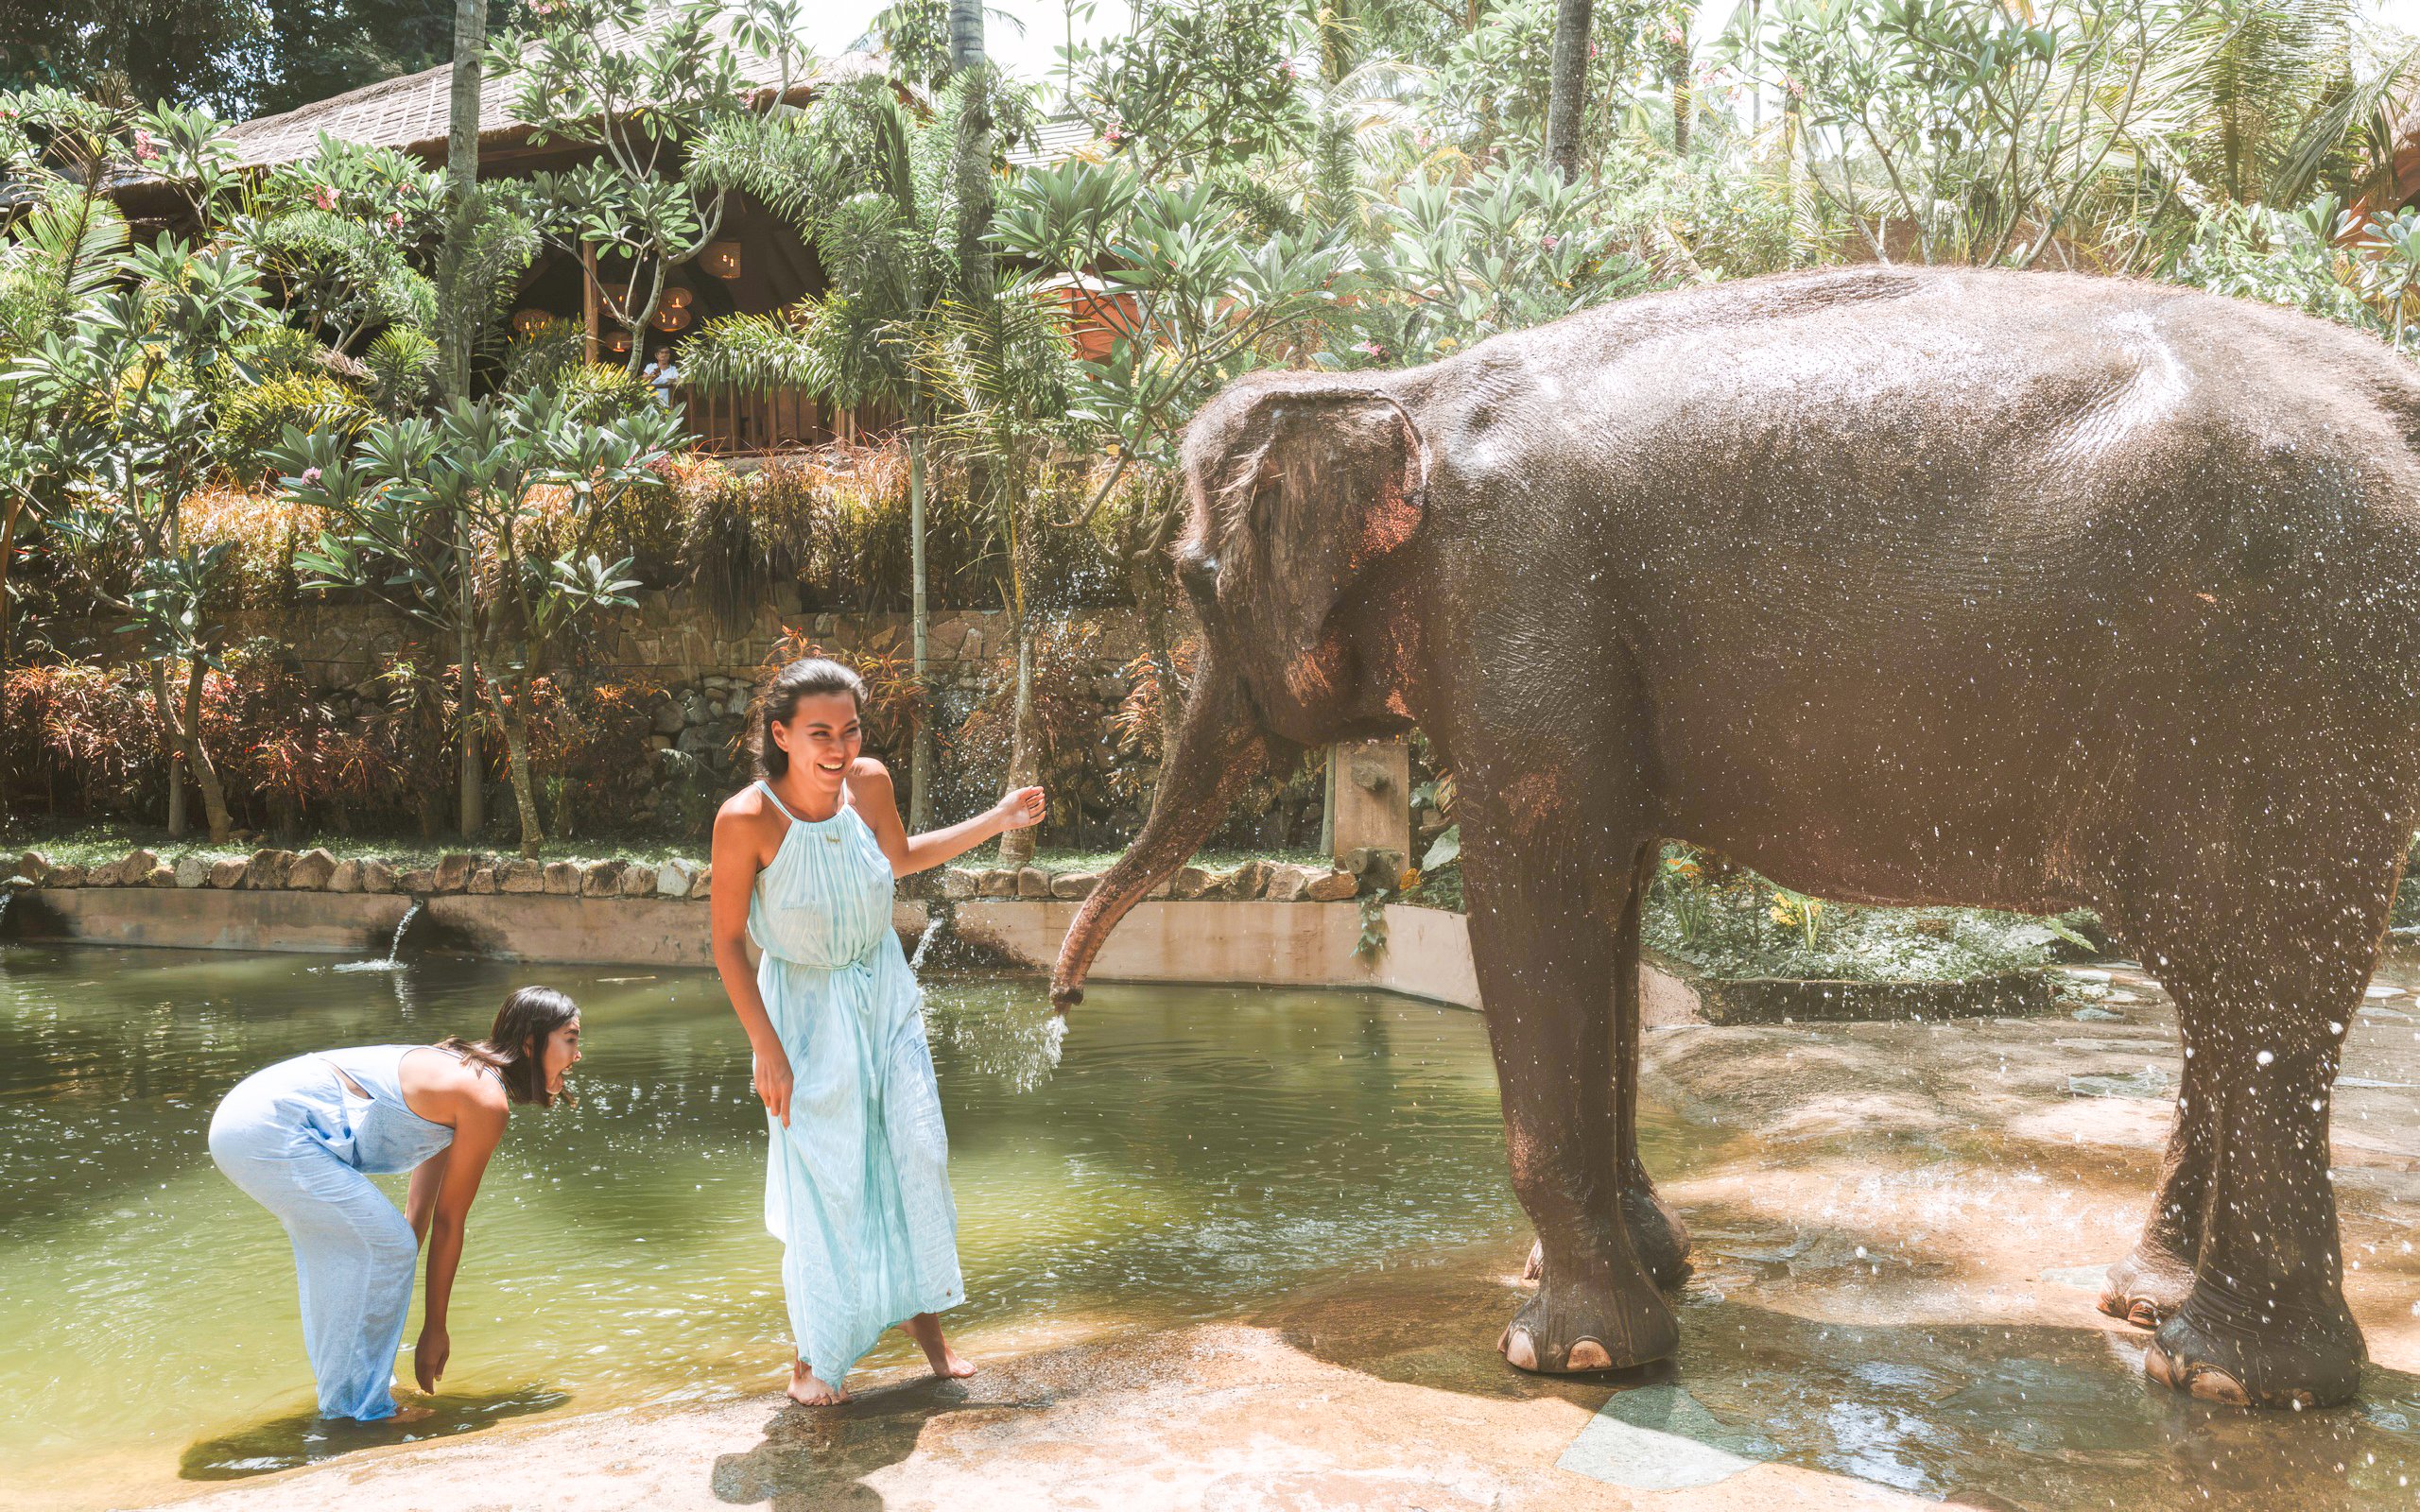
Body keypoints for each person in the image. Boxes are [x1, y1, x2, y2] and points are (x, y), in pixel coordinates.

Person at [710, 657, 1045, 1405]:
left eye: (850, 730)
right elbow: (727, 944)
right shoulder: (747, 818)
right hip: (803, 1014)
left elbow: (901, 859)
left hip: (884, 993)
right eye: (820, 733)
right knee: (830, 1181)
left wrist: (998, 819)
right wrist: (766, 1047)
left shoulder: (870, 784)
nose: (839, 747)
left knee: (915, 1153)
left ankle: (929, 1333)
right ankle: (813, 1357)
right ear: (782, 735)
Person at [206, 988, 583, 1422]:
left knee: (371, 1250)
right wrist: (434, 1328)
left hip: (246, 1121)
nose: (577, 1055)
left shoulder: (465, 1074)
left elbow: (419, 1214)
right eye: (570, 1039)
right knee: (385, 1246)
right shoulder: (485, 1099)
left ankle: (358, 1396)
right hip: (269, 1127)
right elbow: (449, 1221)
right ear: (531, 1044)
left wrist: (399, 1289)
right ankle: (365, 1412)